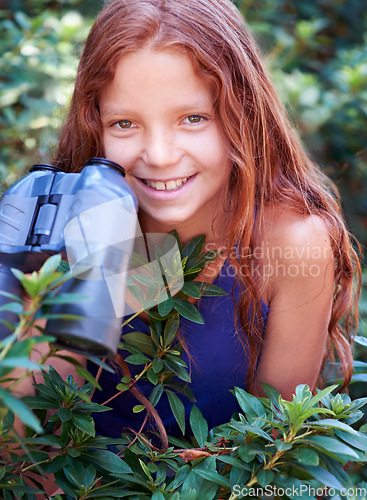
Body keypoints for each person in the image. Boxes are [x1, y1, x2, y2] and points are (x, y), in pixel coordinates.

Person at [46, 0, 360, 442]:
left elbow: (271, 455)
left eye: (193, 118)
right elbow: (34, 439)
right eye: (124, 123)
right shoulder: (59, 225)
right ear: (93, 123)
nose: (158, 155)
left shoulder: (292, 243)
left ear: (243, 115)